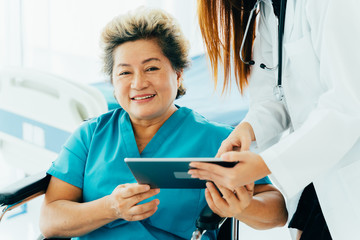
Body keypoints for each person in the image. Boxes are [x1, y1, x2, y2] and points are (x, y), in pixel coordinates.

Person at [39, 7, 287, 240]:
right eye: (125, 72)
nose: (138, 83)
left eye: (151, 68)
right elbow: (50, 219)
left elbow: (277, 211)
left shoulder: (217, 140)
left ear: (178, 74)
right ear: (113, 83)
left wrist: (244, 207)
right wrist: (111, 207)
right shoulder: (90, 136)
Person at [189, 0, 360, 239]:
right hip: (318, 179)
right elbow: (273, 96)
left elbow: (348, 105)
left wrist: (264, 164)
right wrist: (248, 130)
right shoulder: (271, 9)